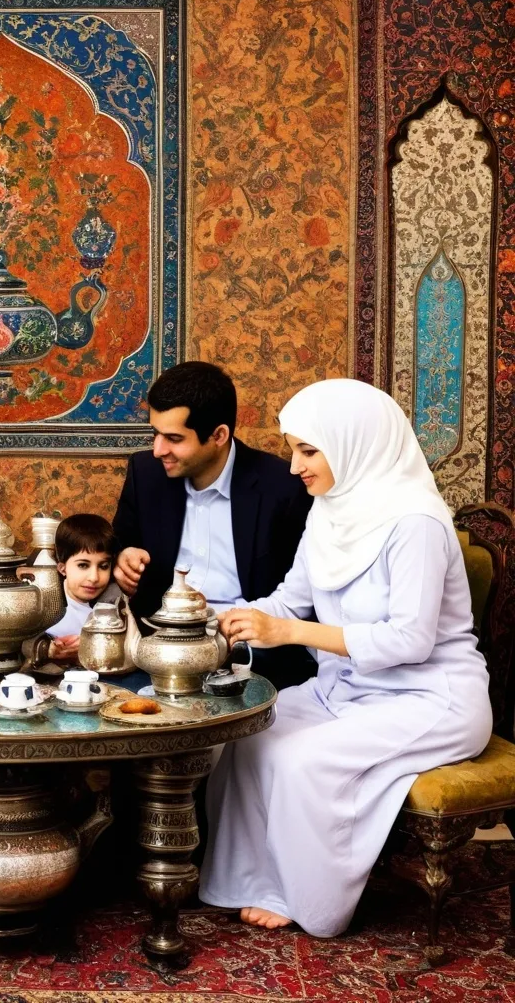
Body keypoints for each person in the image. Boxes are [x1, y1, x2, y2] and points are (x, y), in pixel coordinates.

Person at [199, 378, 492, 937]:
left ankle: (305, 899)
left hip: (431, 698)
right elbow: (290, 598)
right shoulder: (329, 510)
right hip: (349, 689)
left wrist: (286, 631)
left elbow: (409, 641)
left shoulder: (417, 524)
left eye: (308, 450)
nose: (294, 467)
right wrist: (221, 619)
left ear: (357, 442)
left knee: (302, 760)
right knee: (247, 735)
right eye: (292, 449)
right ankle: (250, 879)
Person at [112, 361, 314, 689]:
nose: (158, 449)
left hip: (252, 656)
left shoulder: (282, 487)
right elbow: (119, 540)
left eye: (174, 438)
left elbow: (302, 591)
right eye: (155, 433)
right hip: (161, 650)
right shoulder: (145, 473)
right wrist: (123, 557)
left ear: (218, 435)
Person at [41, 513, 122, 661]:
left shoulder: (116, 602)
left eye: (103, 566)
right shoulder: (44, 602)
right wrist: (47, 649)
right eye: (83, 565)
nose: (94, 577)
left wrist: (90, 646)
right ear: (62, 568)